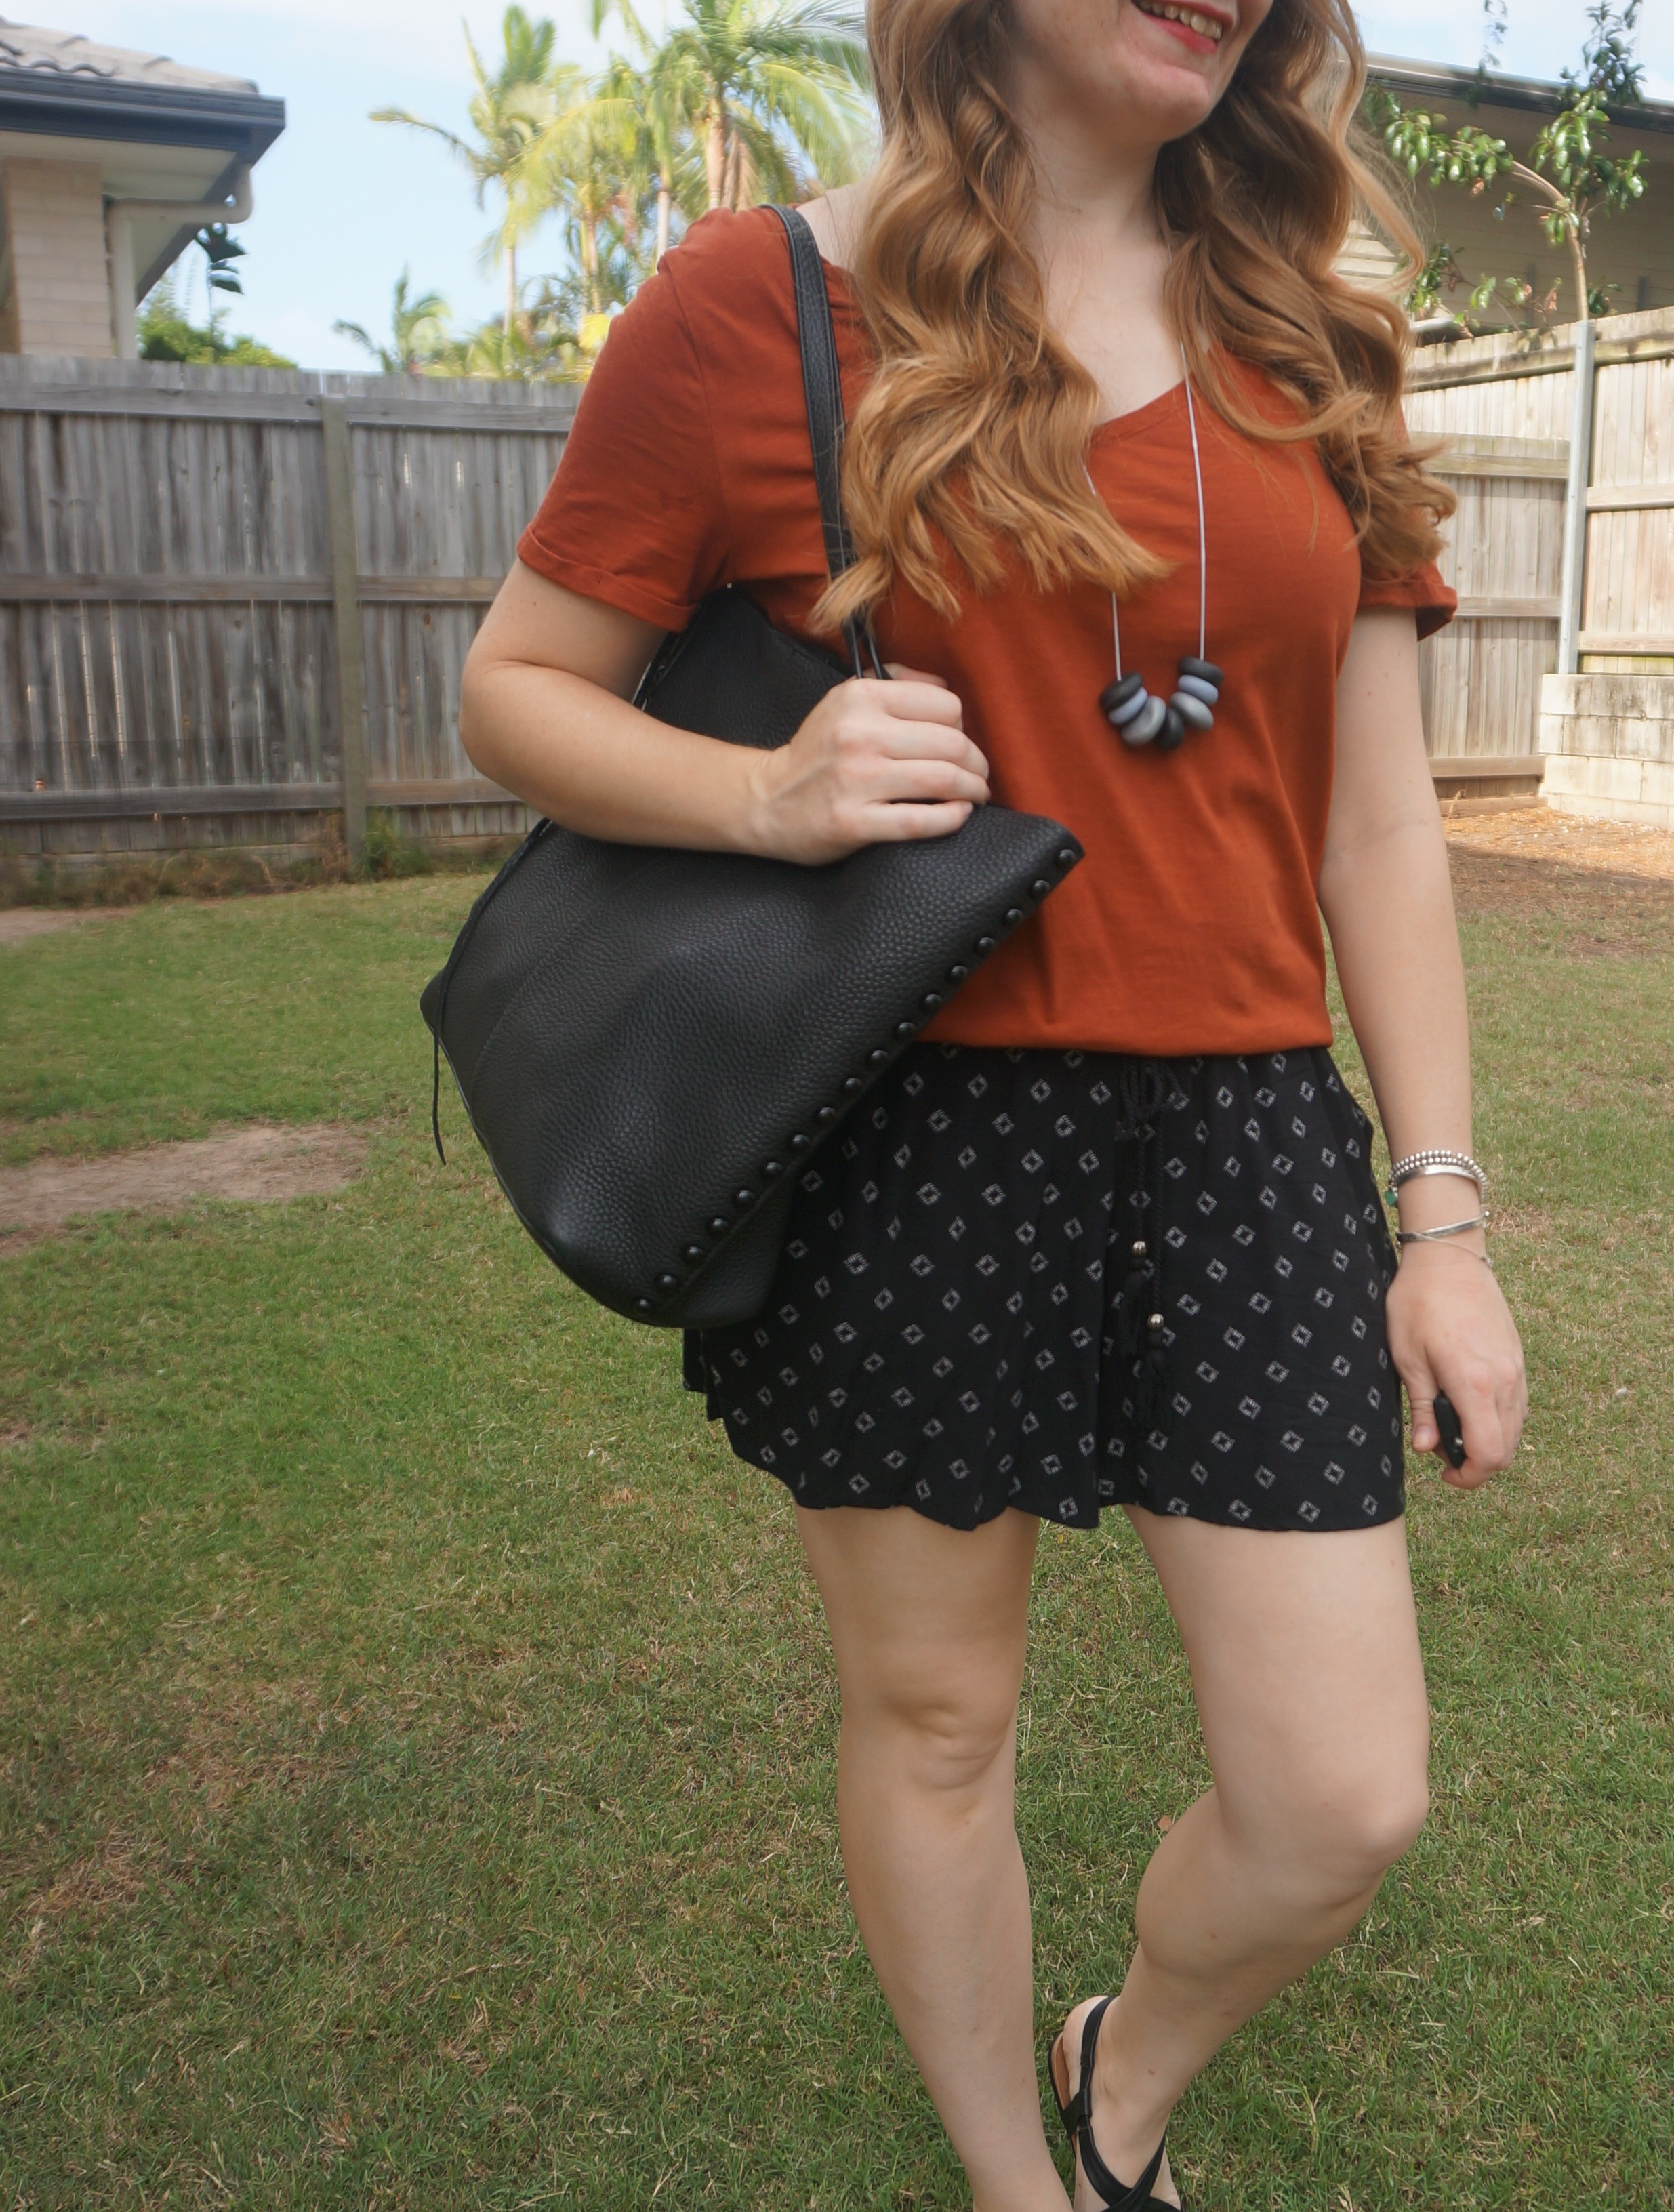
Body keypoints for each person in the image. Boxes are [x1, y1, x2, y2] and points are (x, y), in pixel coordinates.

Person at [457, 1, 1528, 2203]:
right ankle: (1021, 2183)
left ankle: (1123, 2061)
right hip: (914, 1133)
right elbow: (517, 687)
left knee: (1343, 1793)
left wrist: (1443, 1221)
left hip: (1246, 1139)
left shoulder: (1322, 328)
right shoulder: (761, 304)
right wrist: (764, 795)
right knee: (939, 1719)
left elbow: (1379, 827)